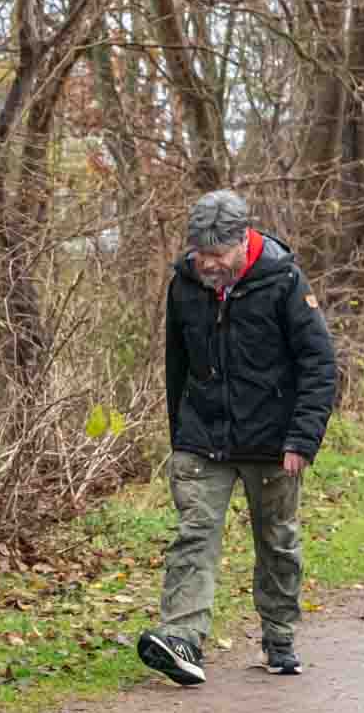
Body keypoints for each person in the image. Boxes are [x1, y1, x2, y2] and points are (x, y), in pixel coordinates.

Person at [136, 190, 336, 686]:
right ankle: (182, 638)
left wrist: (302, 439)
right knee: (194, 534)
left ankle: (279, 636)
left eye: (218, 254)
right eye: (200, 253)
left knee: (277, 541)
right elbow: (176, 364)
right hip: (203, 437)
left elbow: (319, 364)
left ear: (243, 241)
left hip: (273, 441)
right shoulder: (184, 285)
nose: (208, 264)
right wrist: (180, 435)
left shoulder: (284, 281)